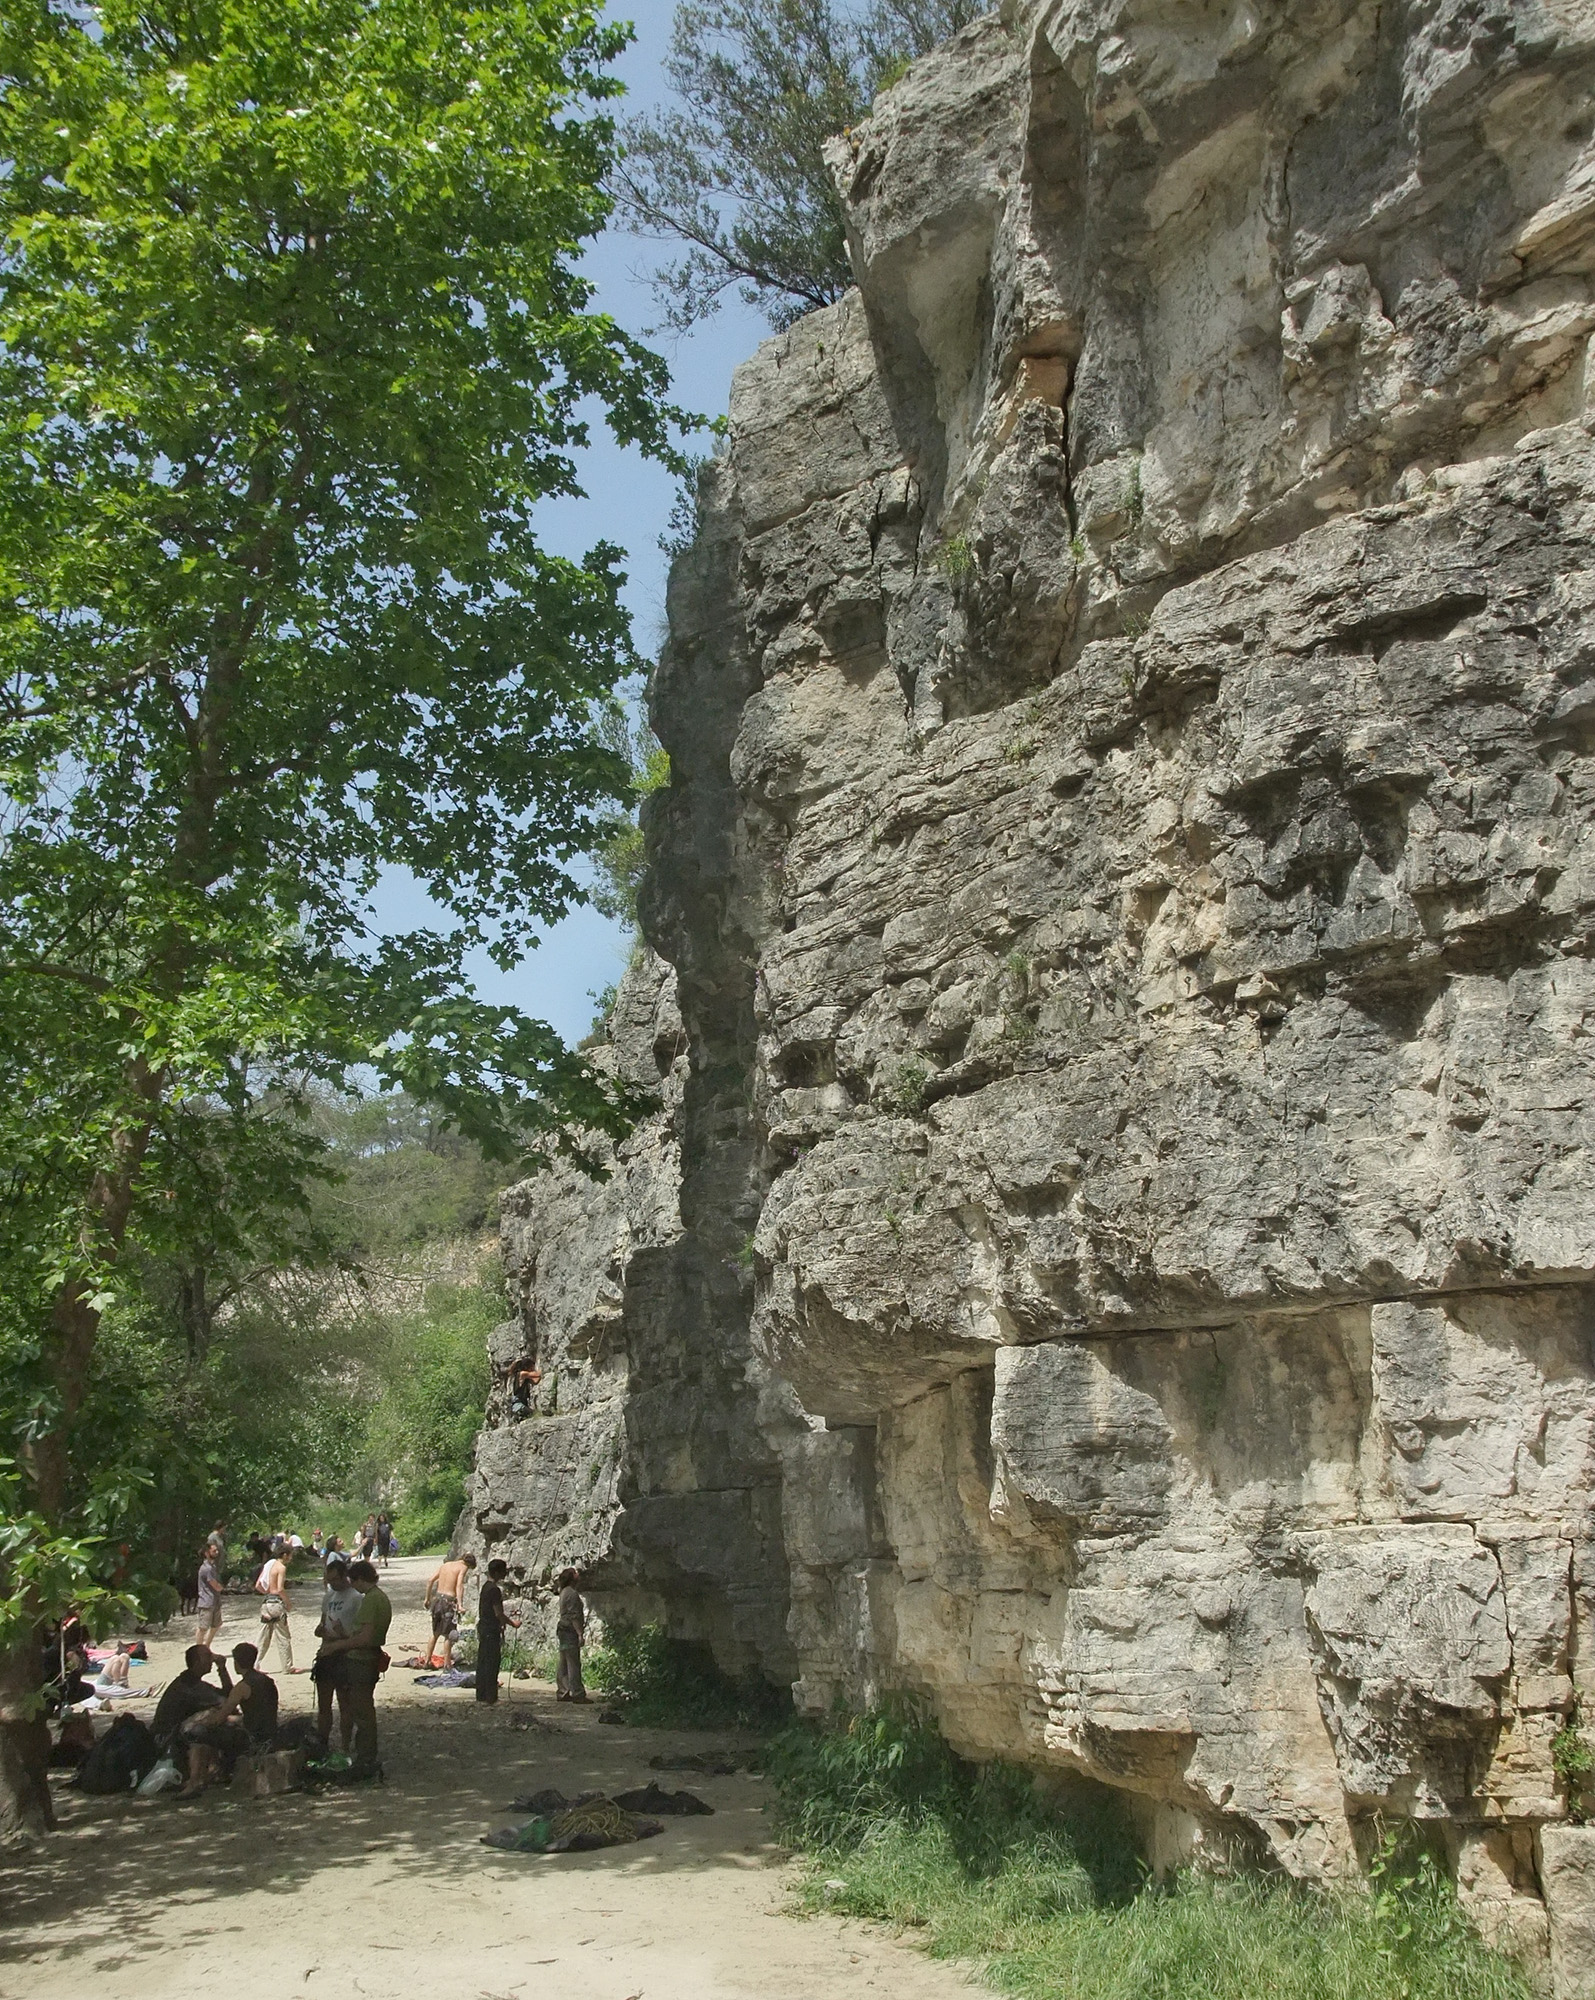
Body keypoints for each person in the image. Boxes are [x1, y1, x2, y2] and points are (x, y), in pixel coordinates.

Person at [317, 1560, 390, 1776]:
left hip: (361, 1659)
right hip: (366, 1656)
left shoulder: (369, 1600)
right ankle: (363, 1755)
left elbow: (364, 1637)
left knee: (361, 1711)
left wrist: (338, 1644)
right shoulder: (379, 1598)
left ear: (359, 1579)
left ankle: (365, 1757)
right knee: (361, 1710)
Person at [178, 1641, 279, 1795]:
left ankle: (195, 1781)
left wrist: (202, 1722)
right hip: (269, 1734)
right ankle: (217, 1771)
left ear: (236, 1663)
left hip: (252, 1739)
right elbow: (260, 1712)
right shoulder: (267, 1681)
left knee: (198, 1733)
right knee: (226, 1727)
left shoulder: (242, 1687)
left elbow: (219, 1718)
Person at [311, 1555, 361, 1756]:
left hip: (344, 1653)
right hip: (326, 1652)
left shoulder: (356, 1597)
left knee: (345, 1703)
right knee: (324, 1704)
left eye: (335, 1580)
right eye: (329, 1580)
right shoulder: (329, 1596)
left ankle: (345, 1744)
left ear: (344, 1577)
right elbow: (322, 1622)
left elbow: (359, 1634)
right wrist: (321, 1630)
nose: (331, 1584)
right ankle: (322, 1743)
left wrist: (342, 1634)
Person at [152, 1644, 232, 1755]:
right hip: (166, 1739)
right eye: (208, 1656)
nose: (212, 1659)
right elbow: (227, 1701)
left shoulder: (189, 1681)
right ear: (196, 1662)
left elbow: (227, 1695)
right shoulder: (189, 1686)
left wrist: (222, 1668)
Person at [474, 1559, 519, 1705]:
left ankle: (481, 1694)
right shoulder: (494, 1590)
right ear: (498, 1572)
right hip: (490, 1630)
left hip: (484, 1627)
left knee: (482, 1661)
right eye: (504, 1570)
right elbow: (498, 1613)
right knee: (492, 1663)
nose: (506, 1573)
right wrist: (513, 1623)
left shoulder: (486, 1587)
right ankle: (491, 1697)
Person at [422, 1551, 475, 1669]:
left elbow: (430, 1580)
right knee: (448, 1634)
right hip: (448, 1602)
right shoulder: (463, 1567)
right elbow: (459, 1585)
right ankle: (447, 1664)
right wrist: (460, 1605)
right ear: (469, 1564)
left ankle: (427, 1661)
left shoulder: (445, 1565)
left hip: (437, 1601)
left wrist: (427, 1598)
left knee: (435, 1633)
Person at [254, 1544, 295, 1671]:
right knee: (283, 1636)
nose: (291, 1557)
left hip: (267, 1602)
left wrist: (266, 1593)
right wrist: (288, 1602)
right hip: (277, 1603)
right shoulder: (281, 1567)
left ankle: (255, 1663)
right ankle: (287, 1666)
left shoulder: (270, 1565)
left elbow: (259, 1585)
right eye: (290, 1555)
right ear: (285, 1555)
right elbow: (280, 1588)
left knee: (264, 1636)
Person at [554, 1568, 587, 1703]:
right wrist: (580, 1633)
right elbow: (574, 1616)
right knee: (573, 1662)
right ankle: (577, 1693)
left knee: (564, 1661)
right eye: (575, 1572)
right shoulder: (572, 1594)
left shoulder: (564, 1591)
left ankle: (563, 1691)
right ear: (572, 1577)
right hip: (569, 1631)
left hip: (563, 1630)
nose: (578, 1574)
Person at [194, 1541, 224, 1652]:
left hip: (214, 1600)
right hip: (206, 1602)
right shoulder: (207, 1568)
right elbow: (214, 1584)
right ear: (207, 1553)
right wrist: (221, 1587)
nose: (216, 1552)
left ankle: (206, 1646)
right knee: (203, 1627)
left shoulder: (213, 1566)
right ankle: (198, 1649)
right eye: (214, 1550)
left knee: (216, 1625)